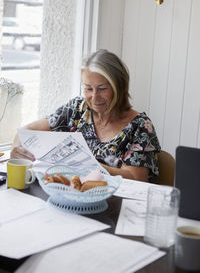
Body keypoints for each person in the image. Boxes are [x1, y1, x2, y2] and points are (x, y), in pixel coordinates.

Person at [11, 49, 160, 182]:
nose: (94, 98)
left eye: (102, 89)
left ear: (119, 87)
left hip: (116, 205)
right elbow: (26, 131)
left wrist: (88, 166)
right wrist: (18, 148)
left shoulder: (140, 126)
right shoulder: (77, 109)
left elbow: (136, 179)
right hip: (72, 196)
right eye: (88, 88)